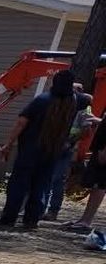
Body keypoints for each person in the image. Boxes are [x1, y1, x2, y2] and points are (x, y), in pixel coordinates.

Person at [0, 67, 80, 230]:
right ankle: (31, 219)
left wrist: (8, 144)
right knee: (41, 185)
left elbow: (21, 122)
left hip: (30, 149)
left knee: (19, 184)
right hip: (52, 150)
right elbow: (86, 97)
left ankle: (9, 217)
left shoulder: (42, 100)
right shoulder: (72, 102)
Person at [44, 88, 93, 223]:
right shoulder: (58, 103)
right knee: (50, 177)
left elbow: (87, 130)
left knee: (56, 179)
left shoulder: (84, 107)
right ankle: (42, 208)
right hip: (54, 145)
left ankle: (52, 210)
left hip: (65, 146)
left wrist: (71, 141)